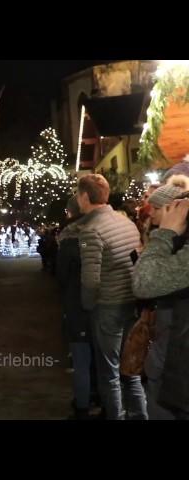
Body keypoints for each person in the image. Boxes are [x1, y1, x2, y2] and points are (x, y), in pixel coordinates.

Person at [77, 174, 147, 420]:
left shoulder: (90, 230)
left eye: (78, 195)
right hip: (131, 302)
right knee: (132, 369)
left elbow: (90, 279)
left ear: (85, 196)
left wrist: (87, 305)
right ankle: (140, 414)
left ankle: (116, 416)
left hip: (107, 306)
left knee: (110, 372)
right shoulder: (126, 223)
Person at [133, 176, 189, 419]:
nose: (150, 211)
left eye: (157, 207)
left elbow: (145, 282)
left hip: (175, 365)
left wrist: (165, 234)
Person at [56, 196, 97, 419]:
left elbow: (61, 275)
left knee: (81, 357)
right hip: (107, 304)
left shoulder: (71, 240)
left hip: (78, 304)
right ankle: (100, 397)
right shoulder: (107, 229)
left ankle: (82, 404)